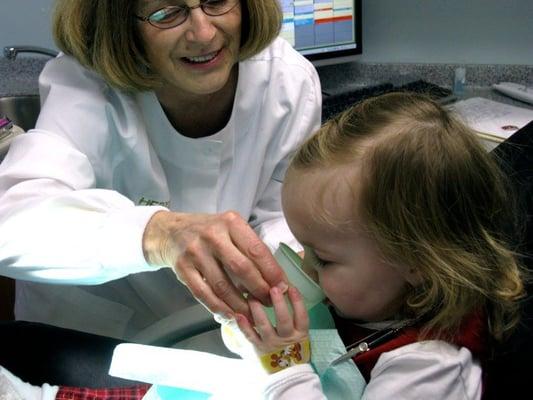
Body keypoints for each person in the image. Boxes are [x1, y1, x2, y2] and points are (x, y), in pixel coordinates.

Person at [0, 0, 321, 340]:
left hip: (218, 332)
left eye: (216, 1)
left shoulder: (286, 80)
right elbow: (12, 221)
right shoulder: (87, 85)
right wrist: (160, 233)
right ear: (121, 24)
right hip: (90, 336)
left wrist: (286, 264)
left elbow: (280, 213)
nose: (204, 33)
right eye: (168, 13)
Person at [232, 92, 526, 399]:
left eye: (323, 259)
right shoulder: (372, 299)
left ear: (418, 261)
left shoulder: (428, 369)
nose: (306, 268)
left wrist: (286, 368)